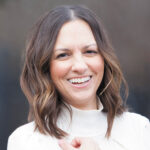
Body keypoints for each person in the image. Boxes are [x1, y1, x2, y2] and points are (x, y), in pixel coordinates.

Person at [7, 5, 150, 150]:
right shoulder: (25, 141)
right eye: (63, 55)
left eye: (89, 51)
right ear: (45, 67)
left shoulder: (139, 130)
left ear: (104, 59)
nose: (80, 66)